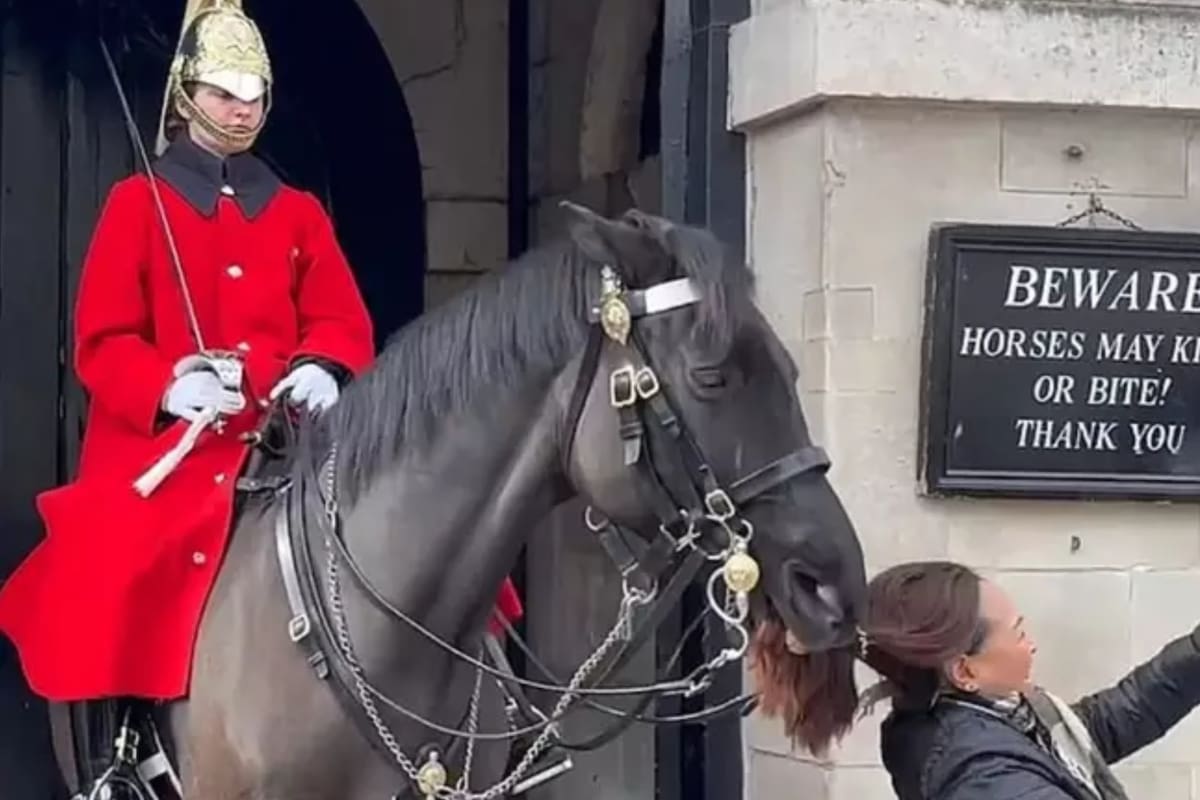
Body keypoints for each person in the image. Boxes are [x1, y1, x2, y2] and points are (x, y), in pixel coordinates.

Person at [0, 0, 523, 793]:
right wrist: (172, 383)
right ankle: (121, 745)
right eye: (222, 91)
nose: (240, 107)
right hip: (173, 448)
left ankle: (484, 705)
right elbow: (102, 344)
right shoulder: (137, 207)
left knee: (427, 533)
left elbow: (341, 318)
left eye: (252, 93)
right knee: (118, 558)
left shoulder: (298, 213)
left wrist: (323, 365)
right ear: (185, 95)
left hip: (290, 437)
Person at [859, 560, 1200, 800]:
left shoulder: (986, 721)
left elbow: (1099, 727)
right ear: (965, 672)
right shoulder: (985, 776)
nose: (1031, 645)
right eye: (1018, 632)